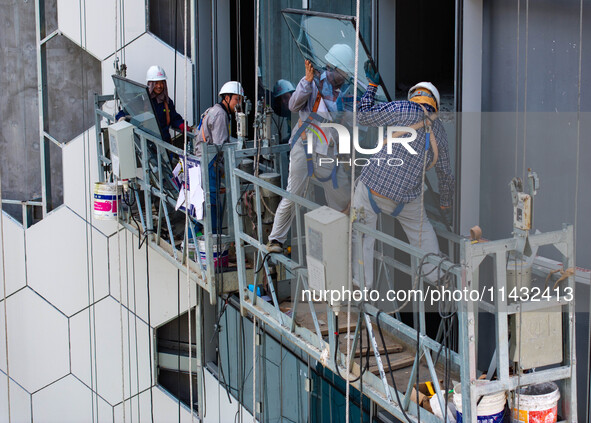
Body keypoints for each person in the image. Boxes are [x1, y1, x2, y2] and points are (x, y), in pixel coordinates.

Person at [352, 69, 454, 289]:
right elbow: (445, 173)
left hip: (372, 187)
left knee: (362, 238)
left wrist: (371, 86)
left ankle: (362, 286)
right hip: (406, 199)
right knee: (422, 232)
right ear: (434, 104)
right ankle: (436, 275)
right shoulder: (440, 132)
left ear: (414, 96)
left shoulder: (402, 108)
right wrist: (445, 203)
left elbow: (363, 115)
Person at [265, 44, 355, 254]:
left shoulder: (342, 95)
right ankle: (275, 239)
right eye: (342, 72)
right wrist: (306, 81)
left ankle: (342, 243)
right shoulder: (312, 83)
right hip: (303, 147)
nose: (344, 77)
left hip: (326, 152)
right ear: (333, 68)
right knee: (293, 194)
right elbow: (293, 105)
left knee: (341, 195)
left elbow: (351, 121)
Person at [194, 81, 245, 232]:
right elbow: (221, 146)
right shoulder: (221, 115)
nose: (238, 104)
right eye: (237, 99)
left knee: (205, 207)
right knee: (212, 207)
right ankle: (210, 246)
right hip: (209, 163)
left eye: (240, 100)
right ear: (227, 98)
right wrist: (226, 170)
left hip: (204, 161)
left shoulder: (213, 110)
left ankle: (195, 240)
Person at [117, 65, 192, 144]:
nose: (159, 86)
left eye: (161, 83)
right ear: (150, 84)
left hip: (164, 142)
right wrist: (121, 117)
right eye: (156, 83)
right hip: (147, 143)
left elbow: (174, 118)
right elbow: (126, 111)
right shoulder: (142, 99)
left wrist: (182, 125)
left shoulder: (166, 101)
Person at [271, 79, 296, 144]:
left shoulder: (302, 113)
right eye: (280, 99)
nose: (283, 101)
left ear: (293, 95)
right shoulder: (290, 115)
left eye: (286, 97)